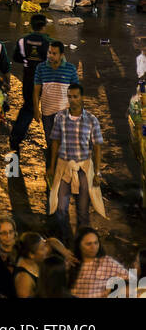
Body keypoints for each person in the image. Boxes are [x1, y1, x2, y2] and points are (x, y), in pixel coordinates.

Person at [48, 82, 104, 239]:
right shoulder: (60, 117)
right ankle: (67, 240)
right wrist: (51, 167)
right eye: (69, 97)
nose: (72, 100)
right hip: (64, 168)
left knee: (83, 211)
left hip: (83, 170)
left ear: (82, 98)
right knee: (60, 209)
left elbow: (97, 147)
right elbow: (55, 142)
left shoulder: (92, 120)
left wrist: (97, 172)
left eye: (75, 97)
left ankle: (82, 243)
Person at [33, 40, 80, 163]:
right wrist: (36, 110)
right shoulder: (41, 68)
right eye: (49, 52)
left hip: (64, 112)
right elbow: (36, 90)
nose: (50, 55)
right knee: (50, 141)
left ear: (61, 55)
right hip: (47, 111)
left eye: (54, 53)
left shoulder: (70, 69)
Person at [9, 14, 49, 154]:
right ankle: (51, 141)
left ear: (31, 25)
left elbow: (16, 58)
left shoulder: (23, 41)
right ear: (44, 26)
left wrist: (29, 61)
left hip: (28, 79)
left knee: (28, 108)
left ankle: (15, 138)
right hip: (45, 80)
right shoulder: (48, 42)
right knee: (49, 111)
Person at [70, 227, 126, 298]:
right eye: (88, 244)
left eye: (96, 243)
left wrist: (109, 290)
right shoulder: (71, 262)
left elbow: (128, 278)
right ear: (79, 245)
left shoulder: (106, 262)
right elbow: (52, 241)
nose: (94, 247)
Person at [14, 231, 49, 299]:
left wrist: (65, 252)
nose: (46, 250)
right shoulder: (24, 278)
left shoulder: (33, 261)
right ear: (31, 255)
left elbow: (52, 241)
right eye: (42, 249)